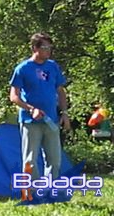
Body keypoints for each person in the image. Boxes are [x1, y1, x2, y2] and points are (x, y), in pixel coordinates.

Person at [9, 32, 71, 180]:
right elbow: (14, 96)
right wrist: (31, 109)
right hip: (30, 122)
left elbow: (60, 91)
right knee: (30, 160)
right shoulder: (22, 69)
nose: (48, 50)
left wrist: (64, 113)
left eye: (50, 47)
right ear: (34, 48)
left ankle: (51, 192)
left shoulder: (53, 66)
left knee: (54, 160)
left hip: (51, 119)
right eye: (44, 47)